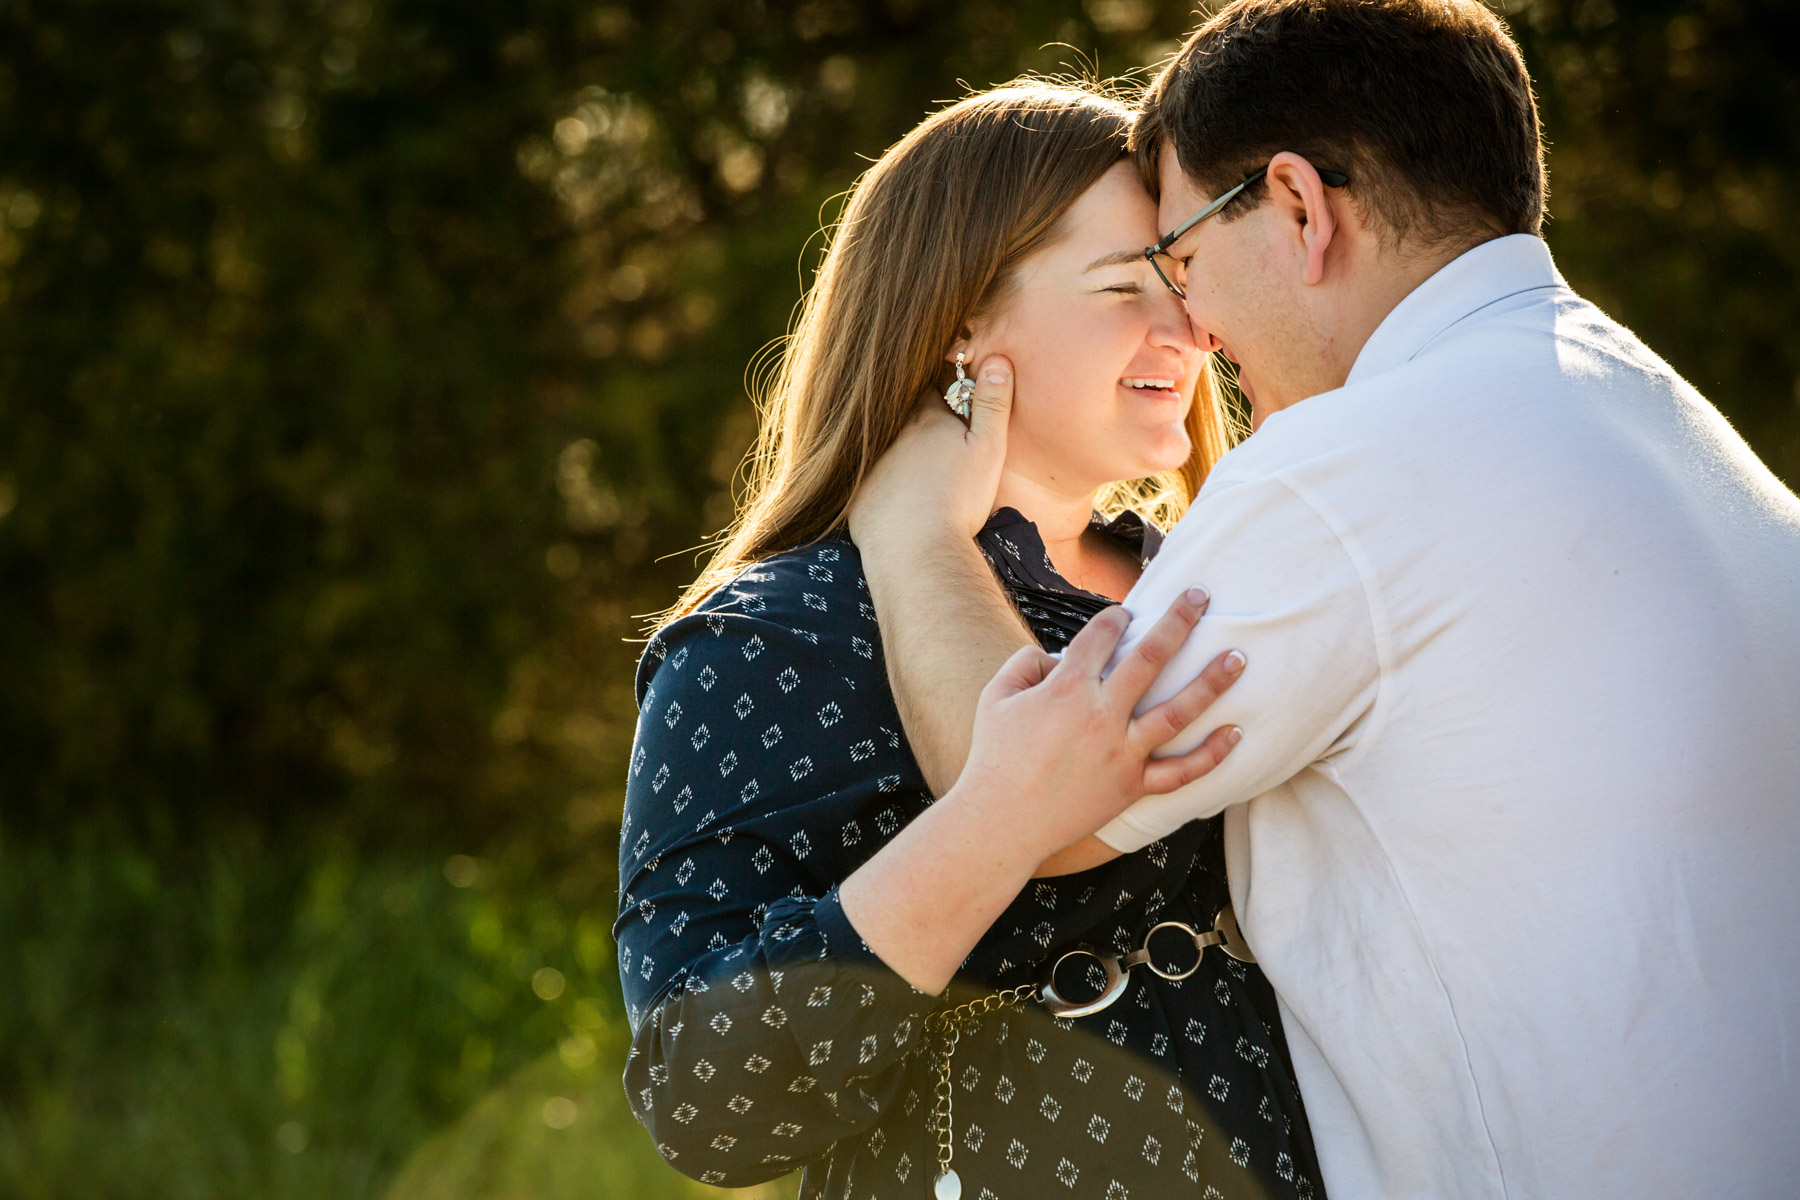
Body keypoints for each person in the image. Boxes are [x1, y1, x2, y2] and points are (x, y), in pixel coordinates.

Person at [850, 3, 1800, 1198]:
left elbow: (1038, 798)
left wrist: (915, 536)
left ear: (1299, 208)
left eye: (1184, 259)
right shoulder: (1681, 432)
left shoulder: (1344, 475)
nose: (1192, 329)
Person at [616, 82, 1329, 1198]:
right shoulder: (776, 634)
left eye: (1182, 282)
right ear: (959, 319)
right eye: (1121, 287)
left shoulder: (1220, 577)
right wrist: (994, 826)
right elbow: (706, 1099)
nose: (1186, 330)